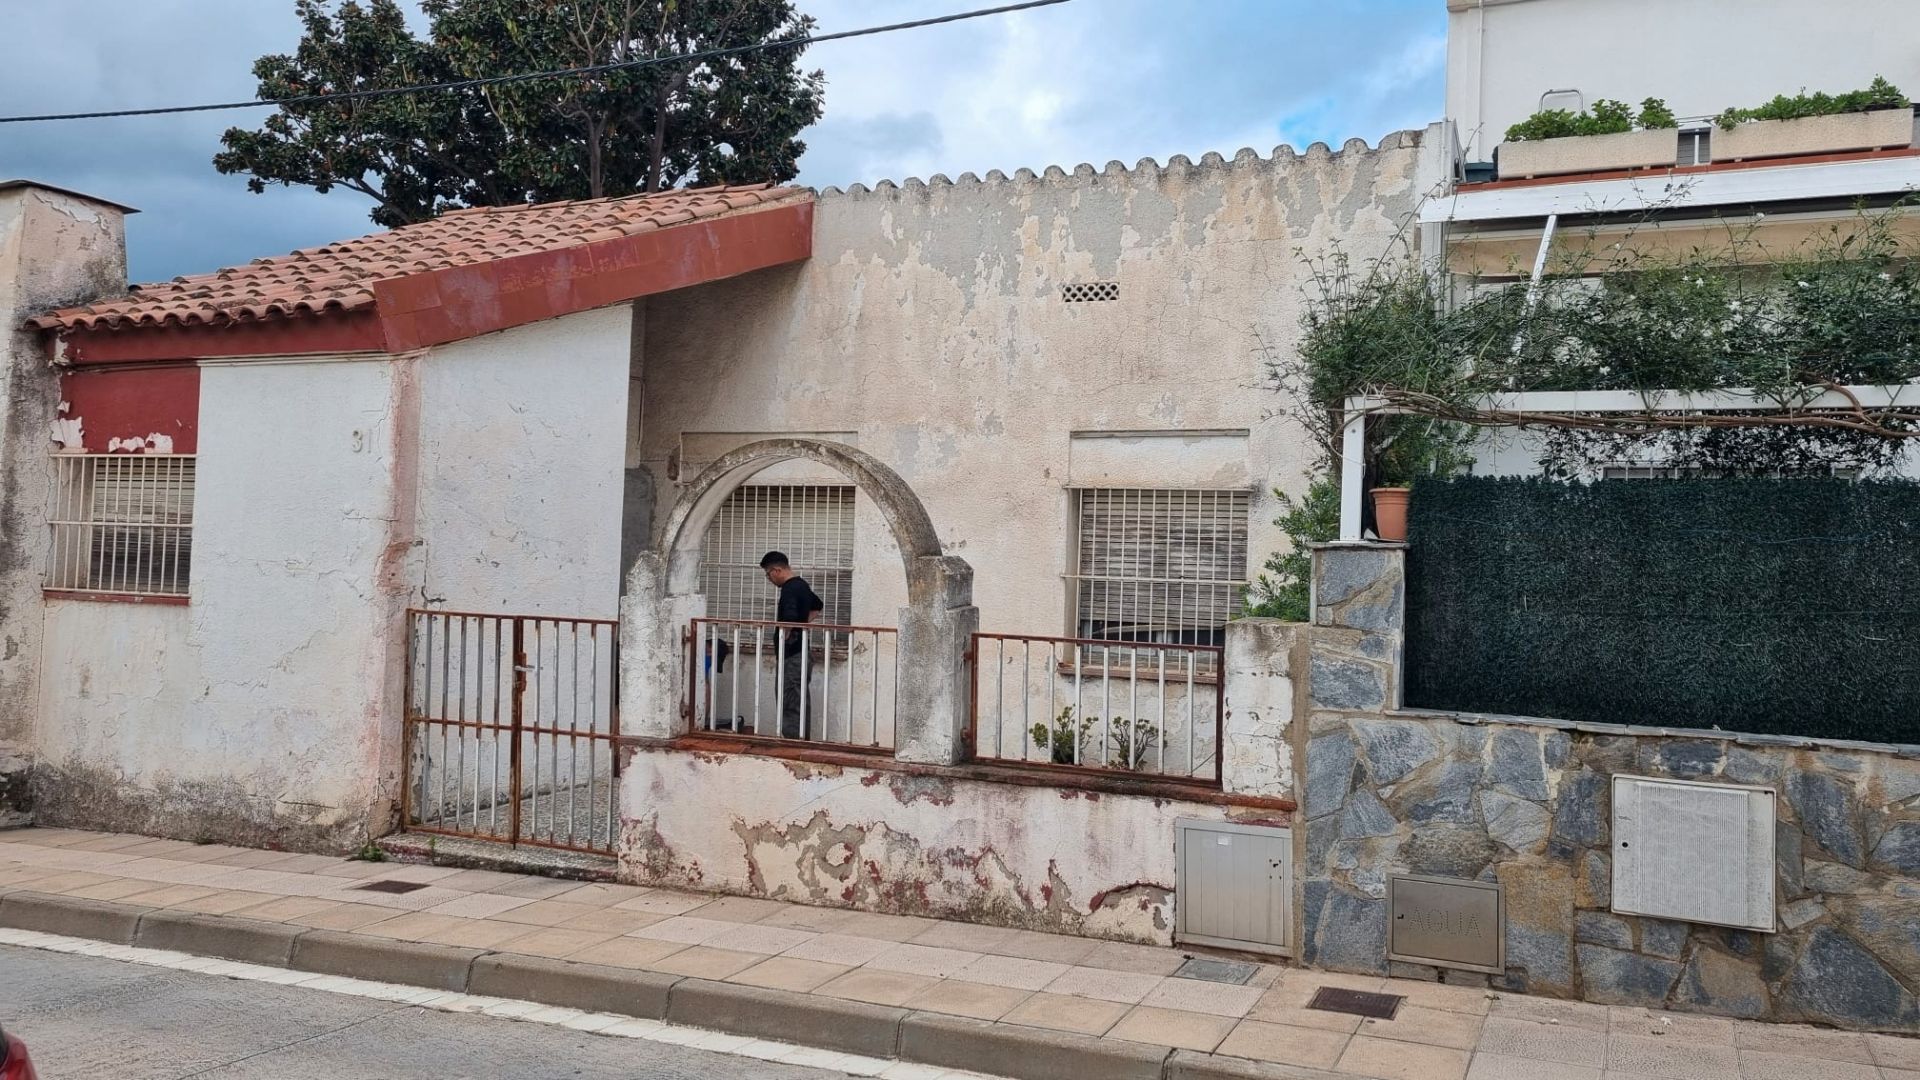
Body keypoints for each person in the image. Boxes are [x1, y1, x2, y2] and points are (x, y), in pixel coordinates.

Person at [760, 551, 824, 738]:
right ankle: (801, 741)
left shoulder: (789, 588)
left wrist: (787, 635)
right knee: (800, 699)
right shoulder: (802, 585)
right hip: (802, 652)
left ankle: (793, 744)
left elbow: (788, 619)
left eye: (768, 574)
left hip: (792, 655)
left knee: (790, 700)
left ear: (776, 570)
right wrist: (802, 626)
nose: (768, 578)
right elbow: (817, 606)